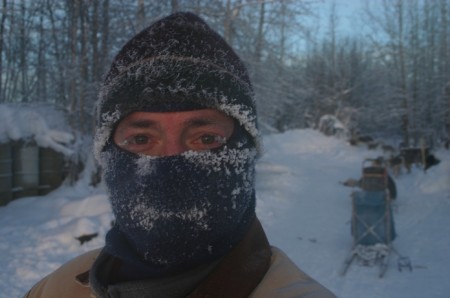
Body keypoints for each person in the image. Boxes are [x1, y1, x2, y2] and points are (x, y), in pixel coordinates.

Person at [25, 12, 336, 298]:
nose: (170, 163)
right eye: (142, 138)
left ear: (246, 153)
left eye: (206, 138)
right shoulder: (56, 291)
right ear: (108, 155)